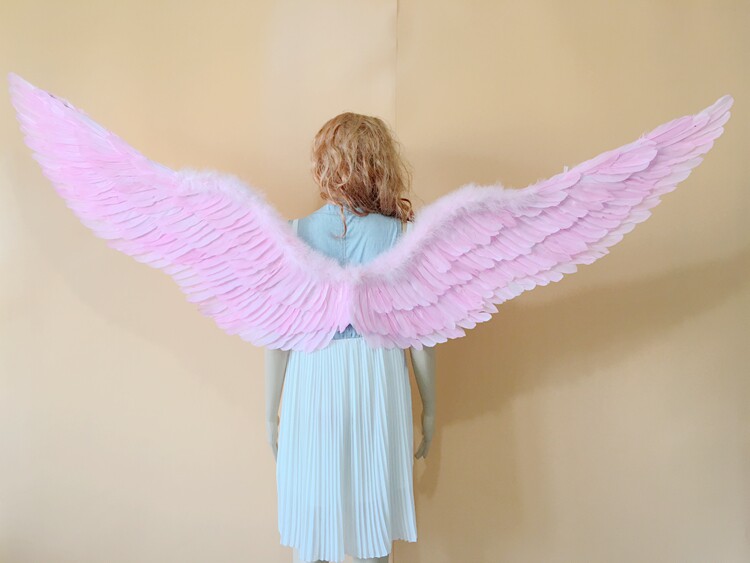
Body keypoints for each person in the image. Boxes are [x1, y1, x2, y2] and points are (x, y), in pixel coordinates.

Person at [264, 112, 437, 563]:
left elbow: (277, 334)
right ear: (379, 163)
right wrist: (430, 406)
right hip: (377, 374)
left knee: (317, 522)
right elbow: (422, 335)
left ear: (324, 162)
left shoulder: (293, 234)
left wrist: (270, 412)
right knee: (370, 523)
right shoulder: (403, 234)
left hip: (313, 375)